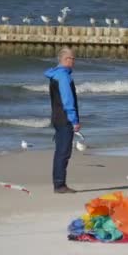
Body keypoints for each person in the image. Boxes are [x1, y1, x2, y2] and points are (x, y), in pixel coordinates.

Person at [45, 47, 80, 193]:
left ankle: (58, 183)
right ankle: (59, 185)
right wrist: (74, 120)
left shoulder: (55, 75)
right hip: (64, 118)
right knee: (63, 152)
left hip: (57, 117)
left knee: (61, 151)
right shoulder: (64, 76)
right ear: (66, 59)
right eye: (72, 58)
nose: (74, 61)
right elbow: (67, 100)